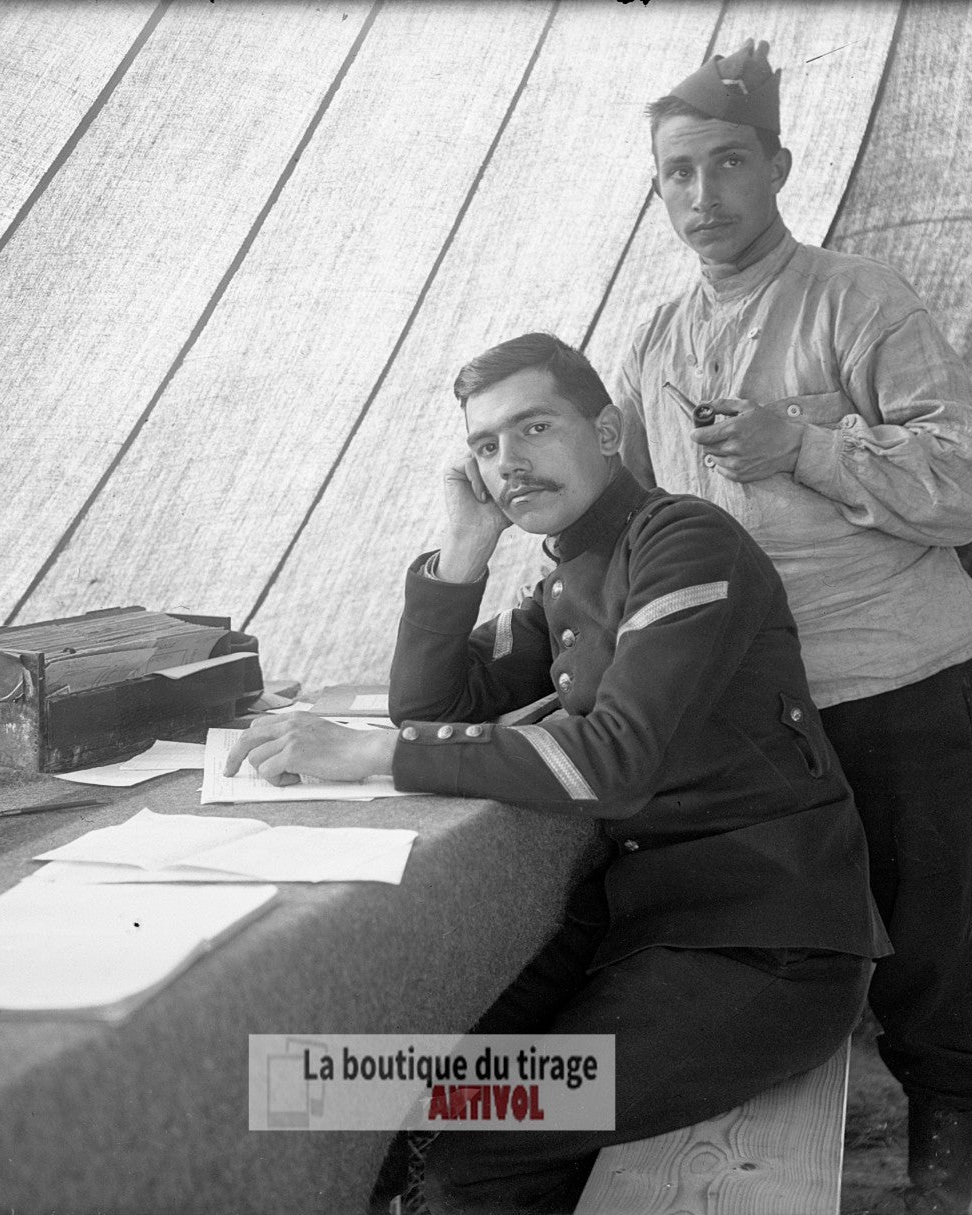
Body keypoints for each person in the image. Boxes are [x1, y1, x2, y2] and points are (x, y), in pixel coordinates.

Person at [227, 331, 889, 1214]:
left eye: (534, 428)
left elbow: (611, 762)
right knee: (357, 1082)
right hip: (645, 928)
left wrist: (369, 752)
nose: (509, 462)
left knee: (476, 1143)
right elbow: (432, 707)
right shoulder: (564, 579)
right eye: (486, 446)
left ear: (608, 431)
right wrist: (464, 549)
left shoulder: (685, 542)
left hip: (765, 948)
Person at [610, 39, 972, 1215]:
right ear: (658, 187)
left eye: (728, 164)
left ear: (779, 165)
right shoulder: (654, 342)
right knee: (792, 936)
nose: (705, 197)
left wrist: (807, 446)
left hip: (895, 678)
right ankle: (786, 1160)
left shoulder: (858, 300)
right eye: (679, 172)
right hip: (757, 710)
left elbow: (967, 483)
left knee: (930, 942)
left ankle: (945, 1187)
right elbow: (642, 515)